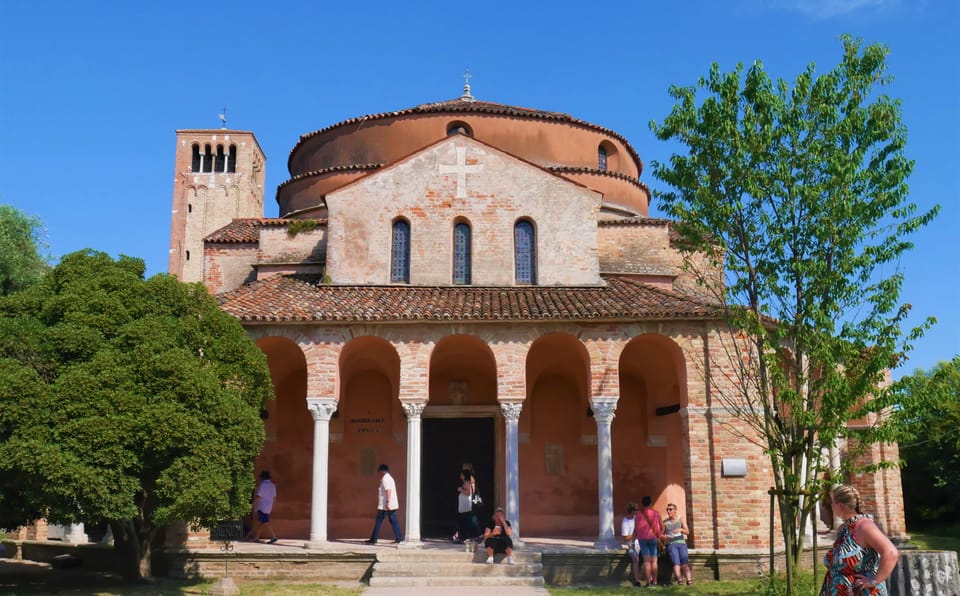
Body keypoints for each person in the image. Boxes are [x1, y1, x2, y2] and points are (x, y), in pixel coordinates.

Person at [821, 484, 899, 595]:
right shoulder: (844, 529)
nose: (830, 506)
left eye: (832, 502)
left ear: (840, 506)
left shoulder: (864, 526)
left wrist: (874, 580)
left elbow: (891, 552)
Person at [366, 463, 403, 544]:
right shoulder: (390, 478)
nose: (379, 473)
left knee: (379, 521)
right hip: (392, 504)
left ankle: (373, 539)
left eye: (379, 471)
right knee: (394, 521)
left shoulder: (385, 479)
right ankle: (399, 538)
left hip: (385, 505)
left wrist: (387, 502)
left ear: (382, 471)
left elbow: (388, 490)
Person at [633, 495, 663, 587]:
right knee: (654, 561)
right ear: (651, 503)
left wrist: (633, 540)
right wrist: (660, 534)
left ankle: (648, 582)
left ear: (642, 503)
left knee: (646, 561)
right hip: (653, 538)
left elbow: (636, 528)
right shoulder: (656, 513)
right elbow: (661, 526)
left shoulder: (638, 514)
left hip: (642, 539)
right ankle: (655, 581)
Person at [663, 502, 693, 585]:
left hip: (681, 543)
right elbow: (661, 535)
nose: (668, 511)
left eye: (670, 509)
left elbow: (687, 532)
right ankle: (679, 580)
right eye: (667, 509)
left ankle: (689, 580)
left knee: (684, 562)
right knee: (676, 562)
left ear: (675, 510)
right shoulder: (665, 522)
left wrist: (681, 530)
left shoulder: (680, 519)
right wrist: (666, 537)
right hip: (671, 543)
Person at [252, 470, 278, 544]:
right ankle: (256, 537)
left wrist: (252, 505)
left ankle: (274, 536)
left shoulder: (262, 485)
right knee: (262, 522)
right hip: (268, 506)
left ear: (262, 478)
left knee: (265, 522)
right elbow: (274, 498)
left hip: (261, 506)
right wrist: (273, 506)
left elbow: (258, 496)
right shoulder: (273, 485)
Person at [620, 502, 642, 586]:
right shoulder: (625, 522)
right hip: (632, 544)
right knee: (636, 559)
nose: (638, 511)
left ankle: (651, 580)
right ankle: (637, 581)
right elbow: (625, 538)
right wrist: (634, 535)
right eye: (636, 510)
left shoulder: (637, 518)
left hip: (642, 542)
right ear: (632, 511)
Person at [456, 469, 481, 542]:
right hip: (464, 506)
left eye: (461, 474)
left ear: (464, 475)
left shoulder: (467, 482)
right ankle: (464, 537)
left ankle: (468, 536)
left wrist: (461, 490)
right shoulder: (465, 482)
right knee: (465, 521)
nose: (460, 476)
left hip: (466, 506)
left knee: (466, 521)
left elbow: (469, 493)